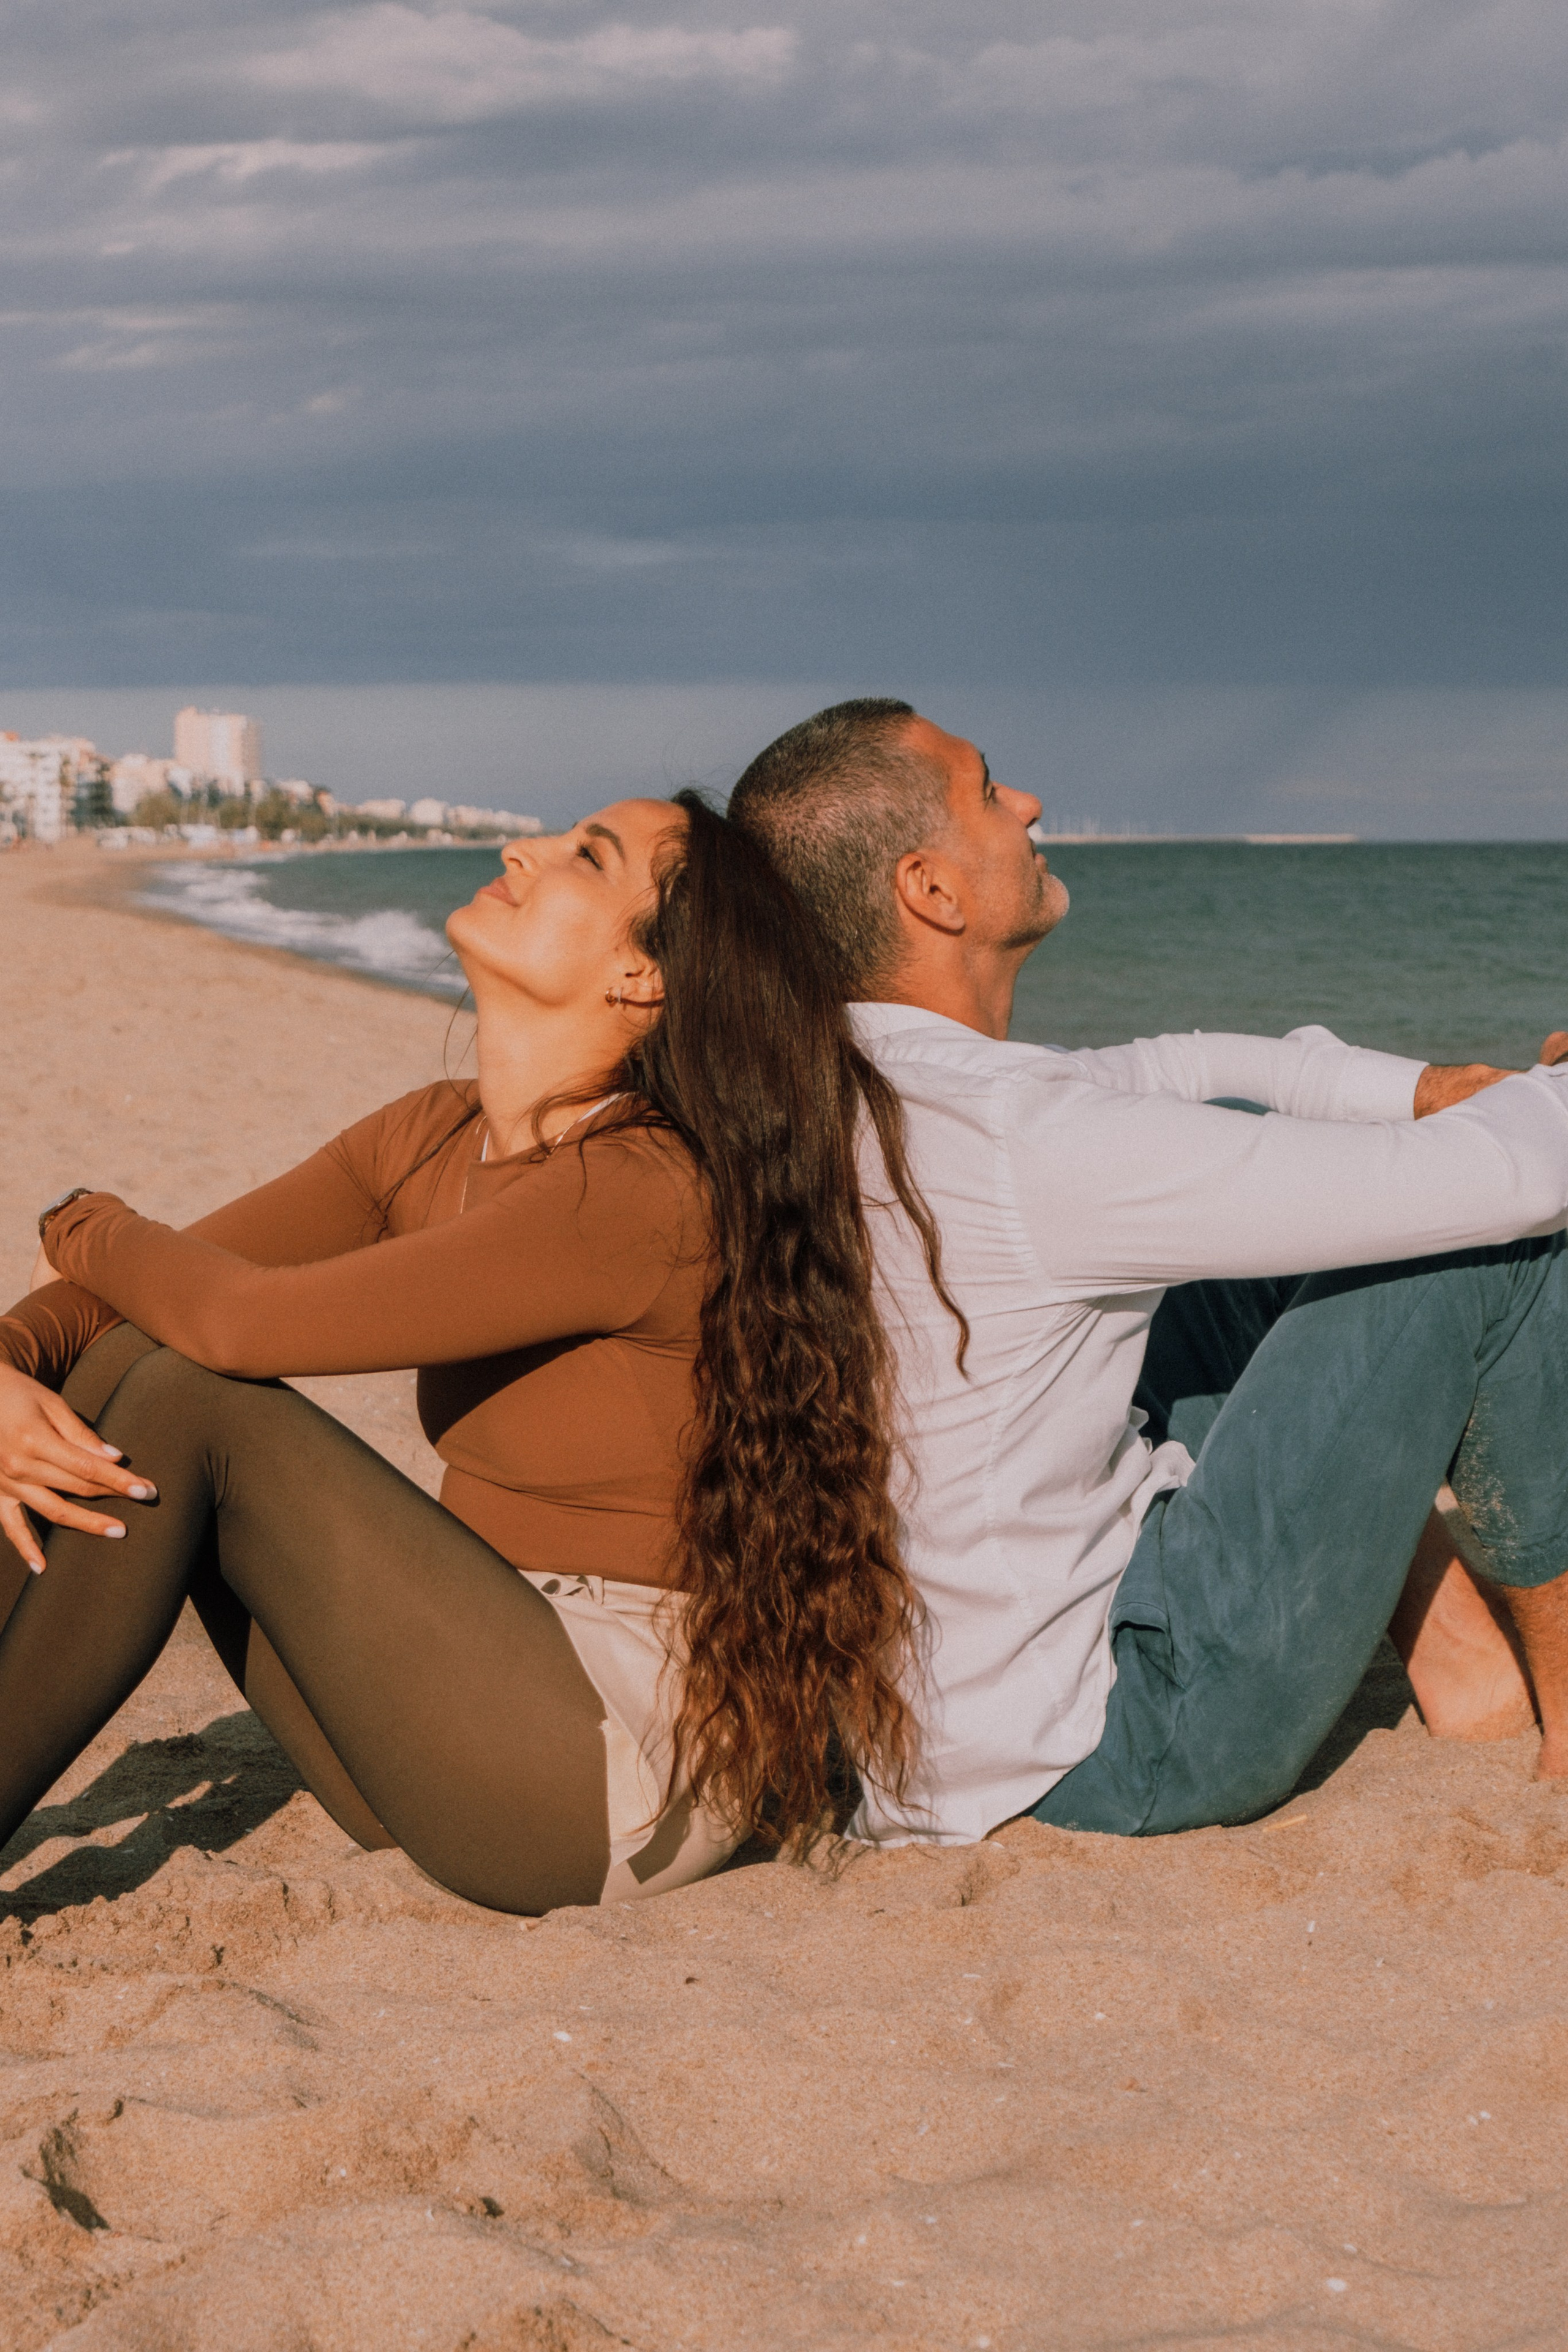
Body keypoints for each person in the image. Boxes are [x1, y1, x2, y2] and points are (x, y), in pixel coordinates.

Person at [0, 791, 952, 1912]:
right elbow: (126, 1308)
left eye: (586, 859)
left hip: (604, 1776)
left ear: (643, 976)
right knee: (109, 1379)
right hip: (451, 1728)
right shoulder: (433, 1134)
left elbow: (232, 1324)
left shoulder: (637, 1188)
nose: (523, 850)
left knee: (190, 1398)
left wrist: (78, 1214)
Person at [729, 698, 1568, 1845]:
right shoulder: (1025, 1141)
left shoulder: (854, 1085)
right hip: (1127, 1742)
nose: (1024, 804)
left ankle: (1454, 1650)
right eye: (987, 789)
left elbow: (1188, 1069)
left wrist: (1418, 1091)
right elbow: (1513, 1181)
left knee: (1237, 1217)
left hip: (935, 1731)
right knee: (1488, 1243)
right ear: (932, 891)